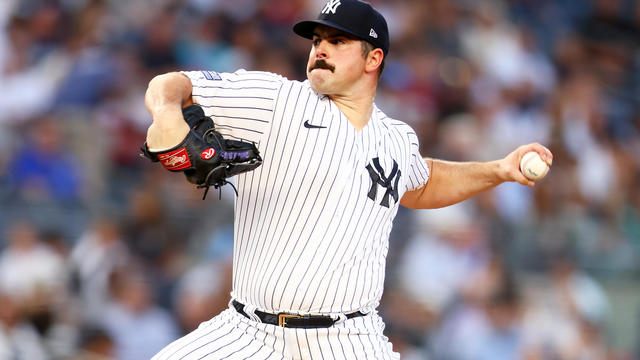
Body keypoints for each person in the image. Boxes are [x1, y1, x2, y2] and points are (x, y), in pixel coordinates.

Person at [143, 1, 553, 359]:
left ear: (373, 59)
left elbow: (424, 183)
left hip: (349, 339)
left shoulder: (395, 138)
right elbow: (169, 84)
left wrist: (498, 170)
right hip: (250, 333)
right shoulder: (276, 101)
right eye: (317, 39)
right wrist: (167, 116)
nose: (320, 48)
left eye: (338, 41)